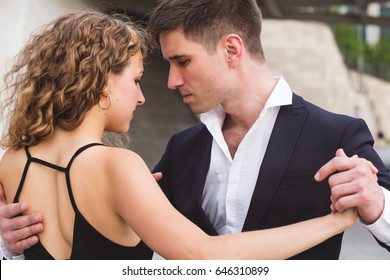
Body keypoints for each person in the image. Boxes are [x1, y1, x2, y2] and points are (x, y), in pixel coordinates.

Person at [0, 0, 389, 260]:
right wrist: (9, 235)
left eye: (182, 61)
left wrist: (376, 205)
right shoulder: (179, 149)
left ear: (232, 50)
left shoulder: (337, 135)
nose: (169, 81)